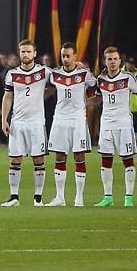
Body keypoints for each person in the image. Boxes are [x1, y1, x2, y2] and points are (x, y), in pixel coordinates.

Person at [0, 40, 52, 207]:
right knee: (15, 160)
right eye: (23, 52)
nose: (26, 55)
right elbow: (8, 96)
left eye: (29, 52)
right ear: (19, 53)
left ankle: (38, 198)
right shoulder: (12, 74)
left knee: (38, 159)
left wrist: (79, 67)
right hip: (18, 122)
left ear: (35, 54)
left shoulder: (45, 72)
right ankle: (14, 197)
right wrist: (4, 120)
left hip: (37, 123)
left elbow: (63, 78)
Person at [93, 46, 137, 207]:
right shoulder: (100, 80)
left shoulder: (128, 78)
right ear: (105, 61)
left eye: (115, 59)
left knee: (127, 159)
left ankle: (128, 197)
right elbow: (97, 100)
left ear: (119, 61)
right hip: (107, 124)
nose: (113, 62)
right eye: (109, 59)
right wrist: (80, 104)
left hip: (124, 124)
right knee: (106, 159)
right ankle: (107, 197)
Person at [44, 42, 96, 207]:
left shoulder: (83, 74)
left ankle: (79, 198)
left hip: (77, 120)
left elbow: (96, 84)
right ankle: (60, 197)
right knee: (60, 156)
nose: (65, 59)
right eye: (63, 56)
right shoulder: (54, 74)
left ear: (75, 56)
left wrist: (87, 70)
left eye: (68, 56)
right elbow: (47, 90)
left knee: (79, 157)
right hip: (60, 119)